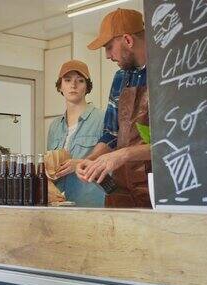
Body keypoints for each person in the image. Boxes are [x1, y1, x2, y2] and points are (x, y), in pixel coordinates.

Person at [76, 8, 152, 208]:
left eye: (109, 47)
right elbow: (111, 134)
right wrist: (91, 160)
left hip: (156, 191)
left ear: (128, 40)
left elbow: (172, 143)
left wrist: (124, 154)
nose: (108, 56)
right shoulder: (120, 78)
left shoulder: (166, 73)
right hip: (121, 190)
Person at [47, 60, 105, 207]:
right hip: (60, 205)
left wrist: (79, 164)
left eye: (80, 81)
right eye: (67, 80)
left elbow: (111, 162)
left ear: (87, 87)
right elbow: (50, 164)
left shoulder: (103, 119)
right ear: (60, 86)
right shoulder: (54, 126)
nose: (73, 85)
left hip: (92, 204)